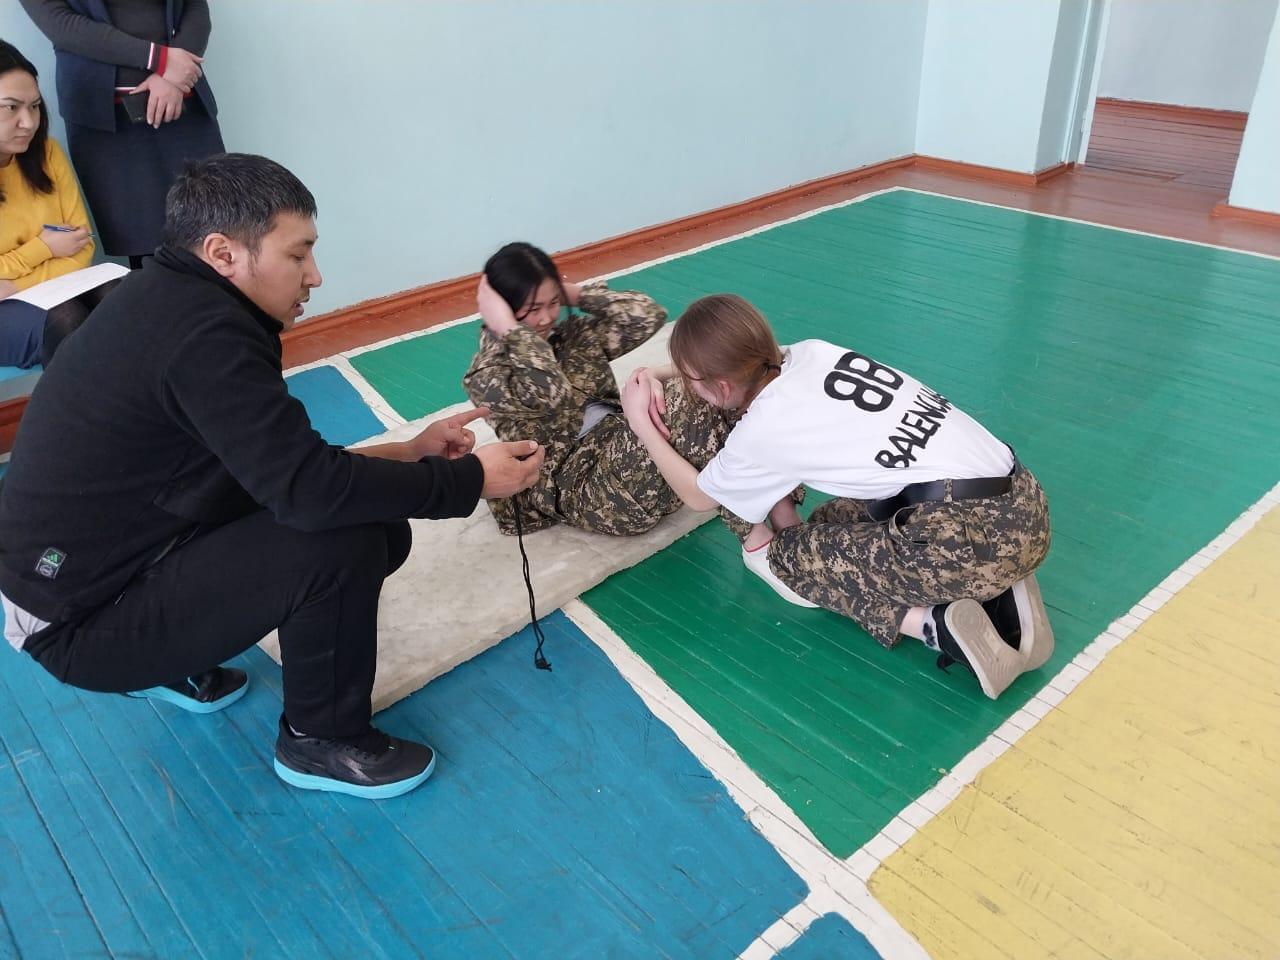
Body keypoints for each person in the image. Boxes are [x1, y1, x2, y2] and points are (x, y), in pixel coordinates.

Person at [0, 153, 545, 798]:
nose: (315, 275)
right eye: (298, 254)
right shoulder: (204, 336)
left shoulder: (169, 298)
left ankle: (176, 657)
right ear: (223, 253)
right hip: (77, 621)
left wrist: (412, 453)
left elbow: (284, 467)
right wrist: (471, 481)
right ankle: (320, 740)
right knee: (346, 540)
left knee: (370, 521)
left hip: (96, 571)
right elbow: (312, 495)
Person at [620, 294, 1055, 700]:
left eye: (693, 381)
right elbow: (742, 362)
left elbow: (699, 496)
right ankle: (999, 594)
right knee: (827, 525)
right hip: (1022, 501)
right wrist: (660, 371)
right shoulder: (811, 352)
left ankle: (937, 625)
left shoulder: (761, 430)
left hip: (967, 539)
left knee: (790, 559)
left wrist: (642, 423)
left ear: (720, 386)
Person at [462, 242, 791, 553]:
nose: (547, 317)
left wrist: (574, 294)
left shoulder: (570, 337)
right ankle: (754, 535)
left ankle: (781, 506)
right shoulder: (488, 375)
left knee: (722, 382)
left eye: (552, 304)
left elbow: (647, 315)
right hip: (589, 488)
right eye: (533, 309)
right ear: (503, 310)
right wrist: (510, 330)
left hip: (631, 450)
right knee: (691, 395)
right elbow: (552, 391)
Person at [18, 0, 225, 267]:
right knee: (146, 247)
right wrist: (160, 60)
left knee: (220, 224)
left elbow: (194, 7)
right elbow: (60, 23)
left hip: (182, 100)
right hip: (106, 117)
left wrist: (173, 76)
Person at [0, 40, 121, 368]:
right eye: (11, 107)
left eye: (34, 106)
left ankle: (147, 398)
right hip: (25, 310)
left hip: (41, 288)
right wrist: (44, 248)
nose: (29, 121)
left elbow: (82, 245)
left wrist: (15, 283)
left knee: (120, 295)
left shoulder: (47, 153)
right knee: (66, 318)